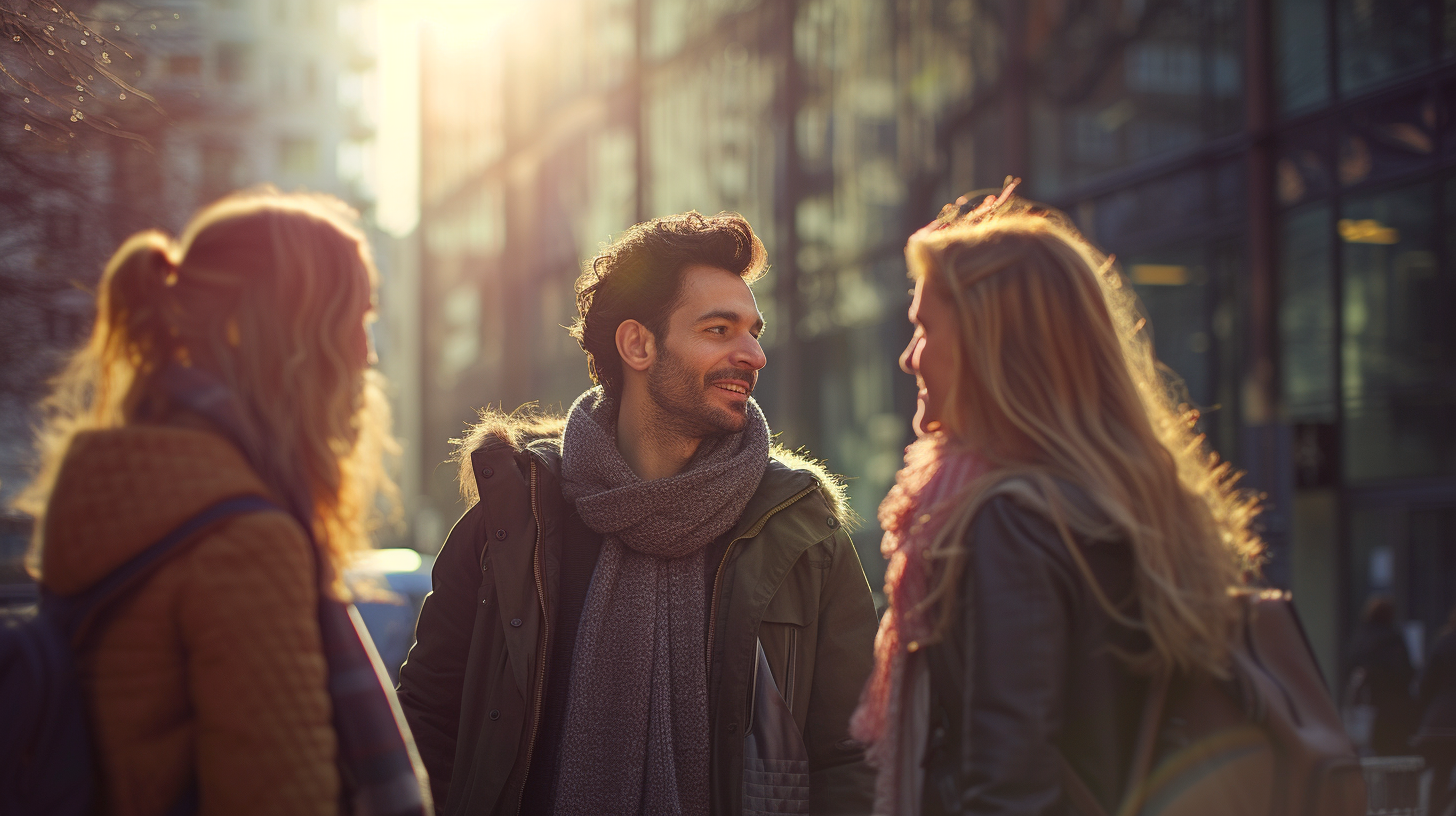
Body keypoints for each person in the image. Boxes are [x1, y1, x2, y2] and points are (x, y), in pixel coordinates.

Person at [396, 211, 879, 815]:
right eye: (719, 329)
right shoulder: (515, 522)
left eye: (754, 330)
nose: (753, 353)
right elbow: (428, 726)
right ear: (638, 344)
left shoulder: (799, 530)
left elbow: (854, 756)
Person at [850, 186, 1264, 815]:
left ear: (994, 346)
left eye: (925, 329)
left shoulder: (1012, 522)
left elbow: (1009, 788)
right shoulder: (1131, 505)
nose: (910, 360)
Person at [16, 190, 427, 816]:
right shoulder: (243, 541)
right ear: (288, 339)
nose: (367, 354)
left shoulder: (119, 490)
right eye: (357, 320)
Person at [1345, 596, 1419, 756]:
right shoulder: (1393, 638)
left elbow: (1351, 672)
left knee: (1378, 752)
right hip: (1395, 708)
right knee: (1396, 752)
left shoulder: (1361, 639)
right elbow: (1405, 672)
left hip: (1372, 705)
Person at [1415, 604, 1456, 816]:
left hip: (1440, 722)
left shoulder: (1443, 642)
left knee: (1440, 774)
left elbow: (1425, 685)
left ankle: (1435, 811)